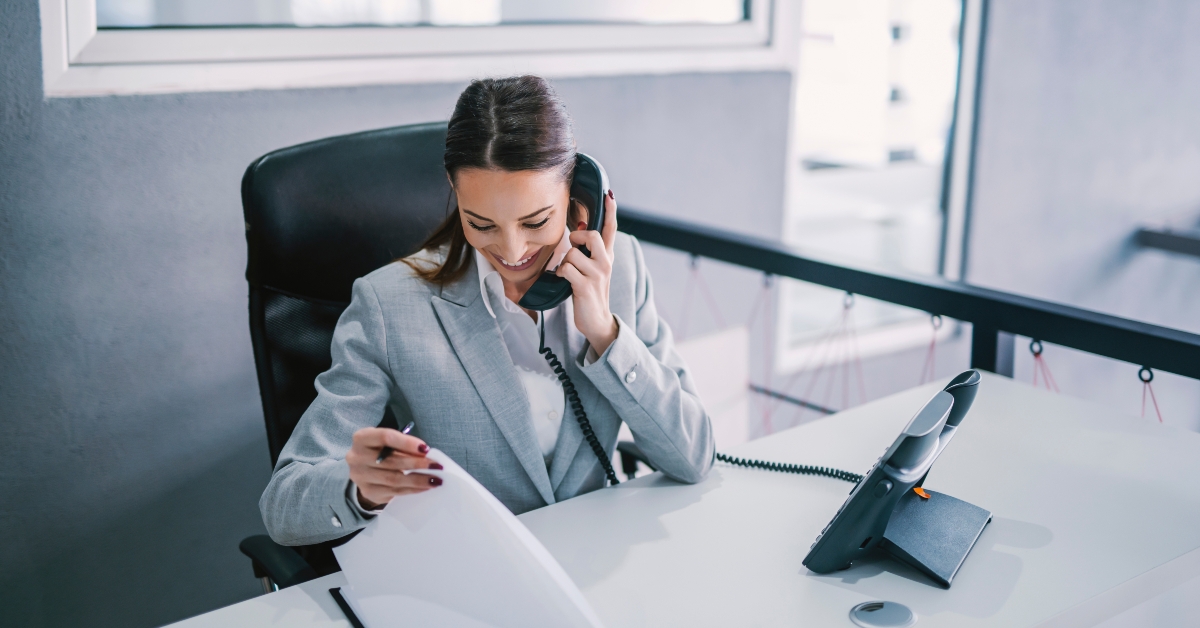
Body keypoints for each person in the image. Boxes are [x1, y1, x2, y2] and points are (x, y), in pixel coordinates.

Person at [260, 75, 713, 546]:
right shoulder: (388, 305)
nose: (512, 250)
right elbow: (283, 503)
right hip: (471, 576)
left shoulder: (619, 273)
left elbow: (694, 457)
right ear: (456, 197)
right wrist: (360, 491)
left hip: (596, 561)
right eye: (482, 223)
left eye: (535, 221)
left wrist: (605, 332)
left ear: (580, 200)